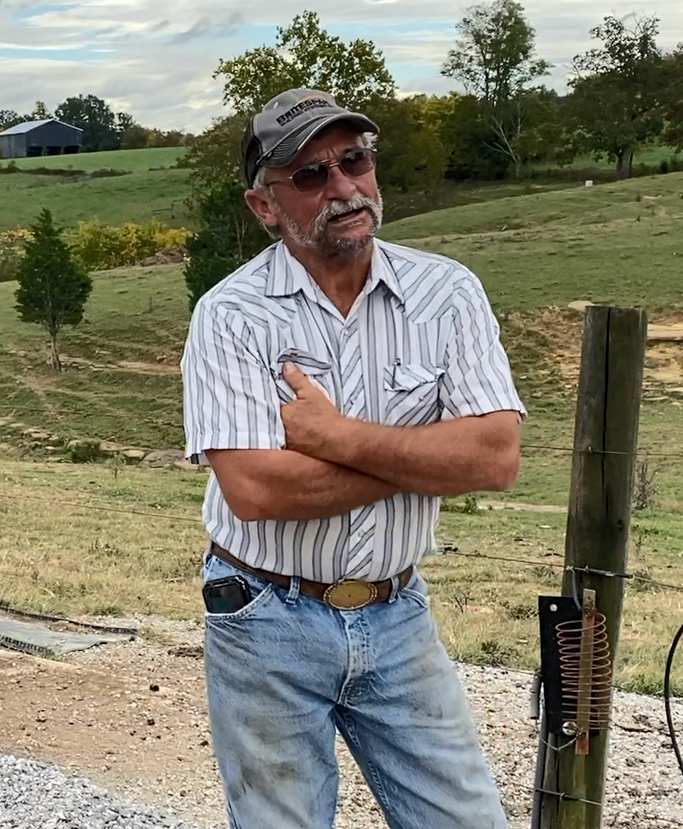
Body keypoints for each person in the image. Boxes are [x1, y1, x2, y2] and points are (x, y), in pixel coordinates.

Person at [179, 88, 527, 829]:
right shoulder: (230, 315)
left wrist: (337, 439)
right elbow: (256, 488)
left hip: (396, 610)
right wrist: (429, 456)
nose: (342, 187)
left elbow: (494, 457)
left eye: (353, 160)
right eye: (309, 175)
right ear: (264, 206)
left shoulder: (447, 292)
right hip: (264, 612)